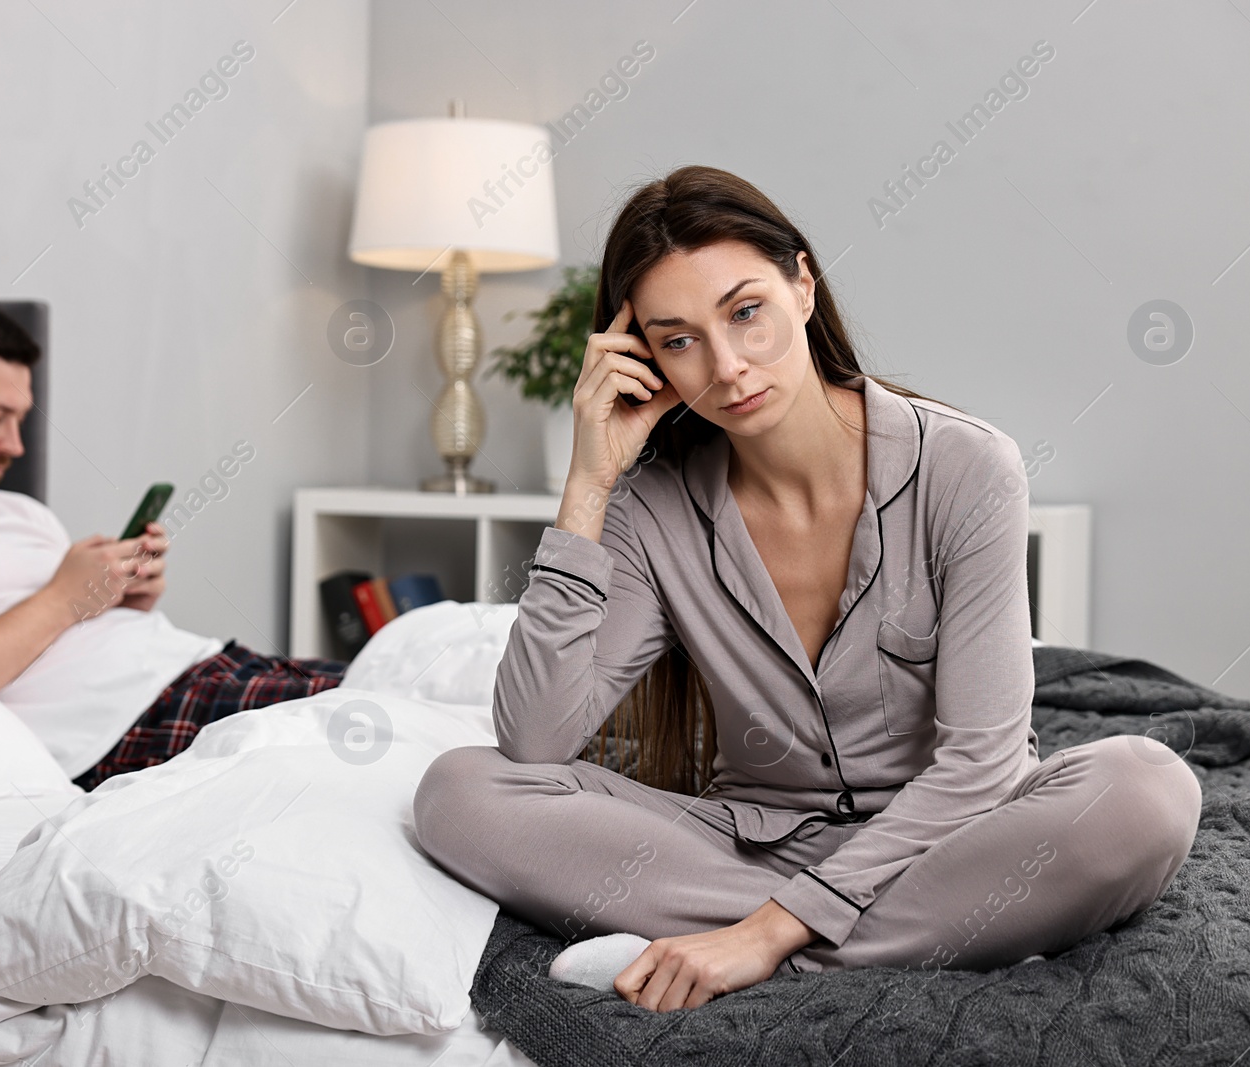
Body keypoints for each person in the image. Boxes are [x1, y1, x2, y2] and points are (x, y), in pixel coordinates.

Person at [412, 166, 1201, 1012]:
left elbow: (980, 768)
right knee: (459, 792)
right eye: (677, 340)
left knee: (1149, 789)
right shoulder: (653, 508)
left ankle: (753, 950)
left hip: (943, 843)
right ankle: (938, 941)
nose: (726, 367)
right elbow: (535, 740)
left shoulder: (967, 468)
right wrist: (589, 484)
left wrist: (767, 930)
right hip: (747, 849)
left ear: (802, 285)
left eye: (745, 312)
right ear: (645, 358)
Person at [0, 297, 347, 790]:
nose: (15, 445)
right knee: (383, 724)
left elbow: (60, 637)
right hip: (123, 730)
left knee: (400, 688)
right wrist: (61, 599)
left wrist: (120, 599)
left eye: (21, 420)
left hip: (206, 665)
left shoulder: (16, 508)